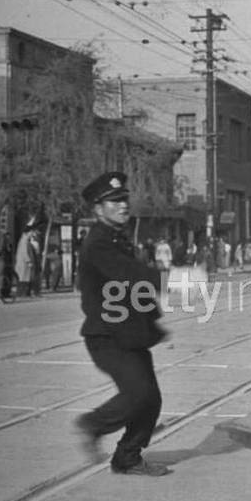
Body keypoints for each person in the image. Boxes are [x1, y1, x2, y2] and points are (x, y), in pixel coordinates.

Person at [75, 172, 170, 477]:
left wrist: (153, 324)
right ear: (98, 209)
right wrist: (177, 279)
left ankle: (127, 457)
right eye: (114, 201)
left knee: (150, 400)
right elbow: (131, 276)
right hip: (107, 336)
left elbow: (132, 289)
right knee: (138, 393)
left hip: (129, 334)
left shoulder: (116, 238)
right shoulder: (98, 244)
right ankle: (93, 424)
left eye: (124, 199)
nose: (123, 205)